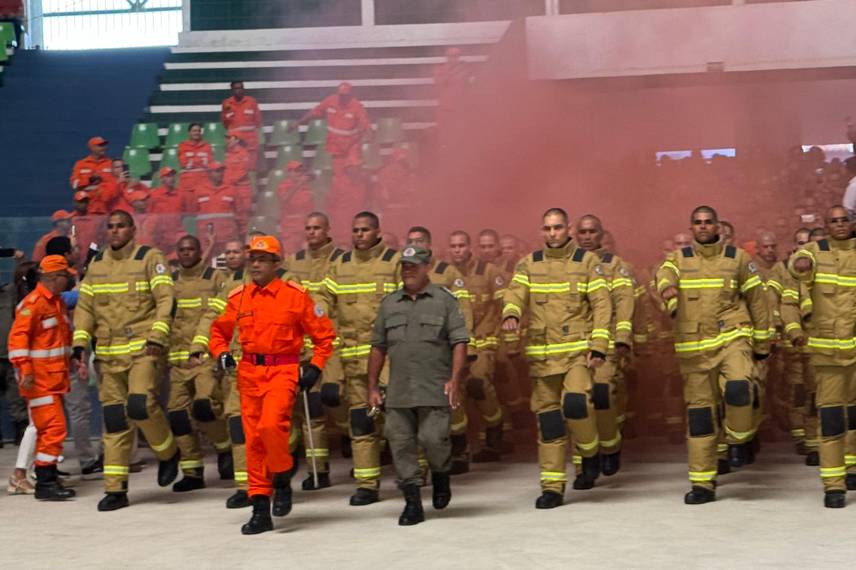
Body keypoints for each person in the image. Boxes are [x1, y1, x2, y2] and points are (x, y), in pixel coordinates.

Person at [209, 235, 336, 534]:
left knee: (270, 427)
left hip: (283, 372)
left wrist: (315, 368)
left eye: (261, 259)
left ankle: (281, 477)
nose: (254, 264)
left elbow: (324, 337)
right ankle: (260, 509)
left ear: (276, 263)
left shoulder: (295, 296)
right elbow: (217, 332)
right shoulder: (239, 296)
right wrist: (222, 353)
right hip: (249, 374)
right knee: (253, 442)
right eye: (252, 258)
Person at [656, 205, 770, 505]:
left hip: (733, 337)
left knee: (739, 388)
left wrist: (761, 345)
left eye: (709, 222)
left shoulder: (738, 259)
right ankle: (702, 483)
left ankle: (738, 438)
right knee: (701, 418)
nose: (704, 227)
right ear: (691, 227)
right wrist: (667, 291)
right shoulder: (678, 260)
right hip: (695, 349)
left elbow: (758, 302)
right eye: (698, 223)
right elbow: (663, 275)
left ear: (718, 226)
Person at [501, 207, 611, 509]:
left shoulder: (587, 262)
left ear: (569, 229)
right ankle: (552, 486)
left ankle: (589, 452)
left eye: (558, 228)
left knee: (576, 404)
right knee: (549, 422)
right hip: (542, 355)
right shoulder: (528, 264)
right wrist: (511, 313)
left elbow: (602, 305)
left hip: (576, 351)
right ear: (541, 230)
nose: (553, 234)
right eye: (547, 228)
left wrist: (599, 344)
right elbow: (514, 294)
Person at [71, 210, 180, 511]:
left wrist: (159, 336)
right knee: (116, 420)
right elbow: (85, 308)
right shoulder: (97, 265)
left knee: (140, 405)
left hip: (144, 349)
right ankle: (116, 489)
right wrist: (80, 343)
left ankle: (169, 452)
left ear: (133, 230)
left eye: (121, 226)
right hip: (107, 354)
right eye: (111, 227)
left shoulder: (149, 257)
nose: (115, 231)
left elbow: (166, 299)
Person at [368, 245, 468, 525]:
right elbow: (377, 346)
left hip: (434, 387)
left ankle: (441, 474)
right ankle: (412, 501)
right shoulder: (389, 304)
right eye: (404, 266)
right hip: (399, 390)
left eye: (414, 265)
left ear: (427, 267)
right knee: (400, 445)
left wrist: (455, 379)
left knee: (433, 440)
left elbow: (459, 341)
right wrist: (373, 386)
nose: (408, 270)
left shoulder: (444, 301)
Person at [318, 211, 401, 505]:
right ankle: (367, 484)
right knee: (361, 422)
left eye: (365, 230)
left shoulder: (394, 262)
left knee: (397, 420)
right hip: (354, 360)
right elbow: (322, 298)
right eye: (355, 230)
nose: (359, 235)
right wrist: (315, 314)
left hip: (391, 358)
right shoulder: (339, 265)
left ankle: (410, 475)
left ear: (378, 231)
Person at [787, 205, 856, 508]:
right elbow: (799, 263)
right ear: (826, 225)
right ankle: (833, 484)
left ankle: (852, 467)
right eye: (834, 221)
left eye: (845, 220)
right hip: (828, 354)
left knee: (853, 417)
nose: (840, 225)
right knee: (830, 419)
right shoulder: (815, 251)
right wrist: (801, 262)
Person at [7, 255, 80, 500]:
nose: (68, 280)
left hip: (54, 379)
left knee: (49, 429)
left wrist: (72, 360)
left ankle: (46, 477)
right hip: (38, 381)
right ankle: (45, 483)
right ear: (52, 277)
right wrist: (26, 371)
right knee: (53, 428)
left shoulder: (56, 303)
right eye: (65, 276)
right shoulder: (33, 304)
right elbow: (17, 342)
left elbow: (60, 341)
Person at [285, 212, 349, 490]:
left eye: (317, 228)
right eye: (307, 228)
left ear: (328, 230)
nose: (311, 232)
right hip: (302, 346)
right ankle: (318, 470)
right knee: (311, 407)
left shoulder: (342, 259)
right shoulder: (293, 262)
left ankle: (367, 444)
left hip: (334, 342)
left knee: (338, 399)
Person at [404, 225, 474, 472]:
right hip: (414, 349)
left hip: (442, 347)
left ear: (430, 244)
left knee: (450, 402)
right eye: (411, 241)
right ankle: (422, 466)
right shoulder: (403, 273)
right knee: (415, 405)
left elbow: (463, 308)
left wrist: (465, 343)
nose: (416, 244)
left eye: (420, 240)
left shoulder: (447, 271)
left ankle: (459, 447)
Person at [165, 235, 232, 492]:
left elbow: (222, 315)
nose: (186, 253)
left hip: (205, 359)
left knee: (206, 407)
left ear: (199, 250)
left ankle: (224, 447)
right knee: (179, 416)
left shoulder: (215, 278)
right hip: (178, 362)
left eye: (191, 249)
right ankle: (192, 471)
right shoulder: (169, 282)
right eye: (181, 249)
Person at [575, 214, 637, 477]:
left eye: (592, 232)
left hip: (606, 341)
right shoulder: (567, 264)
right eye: (582, 232)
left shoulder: (616, 266)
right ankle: (583, 463)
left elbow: (624, 304)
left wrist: (622, 339)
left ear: (601, 234)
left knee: (601, 395)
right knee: (576, 404)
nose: (587, 236)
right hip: (573, 343)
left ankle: (610, 447)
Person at [447, 230, 507, 462]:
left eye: (462, 245)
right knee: (454, 391)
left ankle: (495, 430)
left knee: (478, 383)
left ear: (469, 247)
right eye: (453, 246)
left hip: (484, 341)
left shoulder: (489, 272)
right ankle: (459, 444)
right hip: (456, 345)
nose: (457, 250)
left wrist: (503, 340)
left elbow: (505, 307)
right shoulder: (444, 274)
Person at [218, 239, 251, 508]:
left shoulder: (285, 287)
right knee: (237, 426)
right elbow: (214, 320)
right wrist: (207, 348)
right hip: (238, 369)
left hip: (270, 371)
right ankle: (245, 486)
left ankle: (276, 479)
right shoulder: (229, 288)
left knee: (268, 429)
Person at [292, 82, 370, 164]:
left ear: (350, 95)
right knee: (339, 173)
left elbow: (365, 123)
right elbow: (314, 112)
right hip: (335, 144)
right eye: (341, 95)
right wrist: (298, 122)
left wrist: (370, 138)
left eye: (345, 95)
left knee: (353, 167)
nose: (342, 97)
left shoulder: (356, 106)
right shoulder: (330, 100)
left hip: (351, 144)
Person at [196, 162, 239, 250]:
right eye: (217, 171)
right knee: (208, 263)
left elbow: (240, 213)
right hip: (206, 238)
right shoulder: (198, 191)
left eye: (222, 171)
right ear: (209, 173)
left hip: (226, 237)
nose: (221, 173)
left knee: (225, 263)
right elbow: (192, 212)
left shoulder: (232, 190)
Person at [221, 81, 263, 168]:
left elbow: (258, 121)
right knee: (236, 169)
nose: (239, 90)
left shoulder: (251, 102)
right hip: (235, 144)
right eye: (236, 88)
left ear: (243, 89)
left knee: (250, 169)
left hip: (250, 143)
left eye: (241, 88)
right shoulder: (226, 103)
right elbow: (225, 123)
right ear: (232, 90)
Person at [223, 130, 253, 236]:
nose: (226, 140)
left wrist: (227, 183)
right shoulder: (228, 153)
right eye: (226, 138)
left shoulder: (243, 153)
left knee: (244, 220)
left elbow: (242, 172)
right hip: (231, 190)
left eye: (229, 138)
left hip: (242, 191)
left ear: (236, 140)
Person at [176, 123, 214, 209]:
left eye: (199, 131)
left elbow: (209, 163)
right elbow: (184, 163)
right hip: (188, 186)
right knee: (190, 211)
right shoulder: (182, 146)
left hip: (204, 184)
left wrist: (192, 160)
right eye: (194, 131)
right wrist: (201, 160)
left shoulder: (207, 146)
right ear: (189, 132)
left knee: (204, 209)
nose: (197, 133)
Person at [277, 160, 315, 226]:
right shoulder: (283, 185)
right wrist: (298, 184)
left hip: (305, 224)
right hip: (290, 225)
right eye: (297, 171)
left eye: (301, 171)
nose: (299, 173)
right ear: (289, 173)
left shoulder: (305, 186)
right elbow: (284, 199)